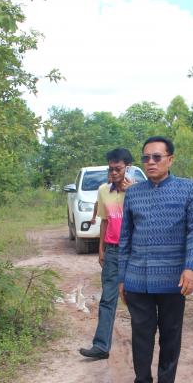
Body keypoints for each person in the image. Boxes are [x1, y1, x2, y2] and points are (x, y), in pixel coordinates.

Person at [118, 136, 193, 383]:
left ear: (170, 159)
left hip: (173, 279)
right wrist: (122, 277)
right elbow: (125, 238)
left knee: (170, 336)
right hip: (138, 279)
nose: (151, 162)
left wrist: (191, 267)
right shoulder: (134, 193)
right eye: (146, 157)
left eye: (157, 157)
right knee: (141, 337)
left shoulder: (188, 189)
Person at [78, 148, 135, 360]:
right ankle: (101, 346)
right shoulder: (103, 191)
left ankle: (143, 338)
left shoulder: (140, 191)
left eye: (118, 169)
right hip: (112, 251)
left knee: (135, 298)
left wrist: (132, 193)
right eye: (110, 169)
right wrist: (101, 249)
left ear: (128, 168)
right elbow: (104, 221)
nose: (113, 173)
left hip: (134, 253)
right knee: (107, 299)